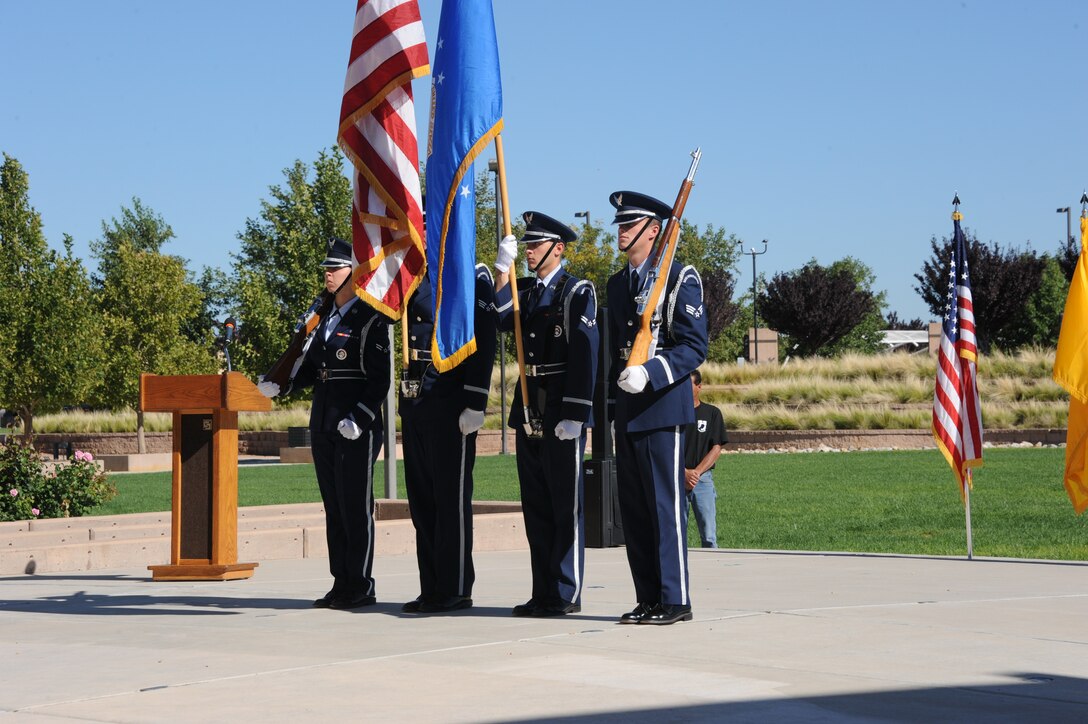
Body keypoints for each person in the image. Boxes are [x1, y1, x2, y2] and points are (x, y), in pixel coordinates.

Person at [258, 237, 391, 610]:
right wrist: (281, 384)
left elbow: (380, 379)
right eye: (327, 270)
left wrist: (361, 417)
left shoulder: (370, 317)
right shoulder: (321, 315)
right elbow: (312, 368)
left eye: (335, 268)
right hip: (325, 420)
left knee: (355, 506)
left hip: (355, 424)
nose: (328, 275)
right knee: (333, 506)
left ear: (355, 272)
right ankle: (341, 582)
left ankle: (361, 583)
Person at [606, 190, 707, 625]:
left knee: (665, 507)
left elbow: (693, 346)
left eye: (630, 225)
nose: (621, 232)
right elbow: (614, 353)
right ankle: (648, 596)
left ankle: (675, 599)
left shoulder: (680, 278)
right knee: (635, 510)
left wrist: (653, 371)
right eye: (620, 225)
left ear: (653, 230)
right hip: (628, 411)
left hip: (663, 409)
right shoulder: (617, 283)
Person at [494, 211, 599, 617]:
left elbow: (585, 355)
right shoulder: (525, 291)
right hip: (529, 405)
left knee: (564, 504)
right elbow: (502, 317)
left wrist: (576, 412)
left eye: (536, 244)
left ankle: (565, 591)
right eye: (526, 245)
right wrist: (503, 269)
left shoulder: (576, 292)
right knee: (535, 504)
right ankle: (542, 590)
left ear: (558, 248)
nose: (529, 250)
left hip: (560, 408)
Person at [399, 264, 497, 614]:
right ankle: (431, 586)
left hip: (449, 400)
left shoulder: (470, 274)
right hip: (415, 398)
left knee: (449, 501)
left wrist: (475, 401)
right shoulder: (410, 273)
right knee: (422, 502)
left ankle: (454, 587)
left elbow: (484, 340)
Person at [684, 369, 725, 548]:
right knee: (676, 533)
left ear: (699, 387)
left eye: (688, 386)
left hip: (703, 480)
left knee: (709, 535)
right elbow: (667, 449)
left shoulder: (712, 413)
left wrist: (696, 473)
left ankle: (713, 573)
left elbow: (716, 448)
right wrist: (683, 473)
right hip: (677, 479)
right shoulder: (671, 416)